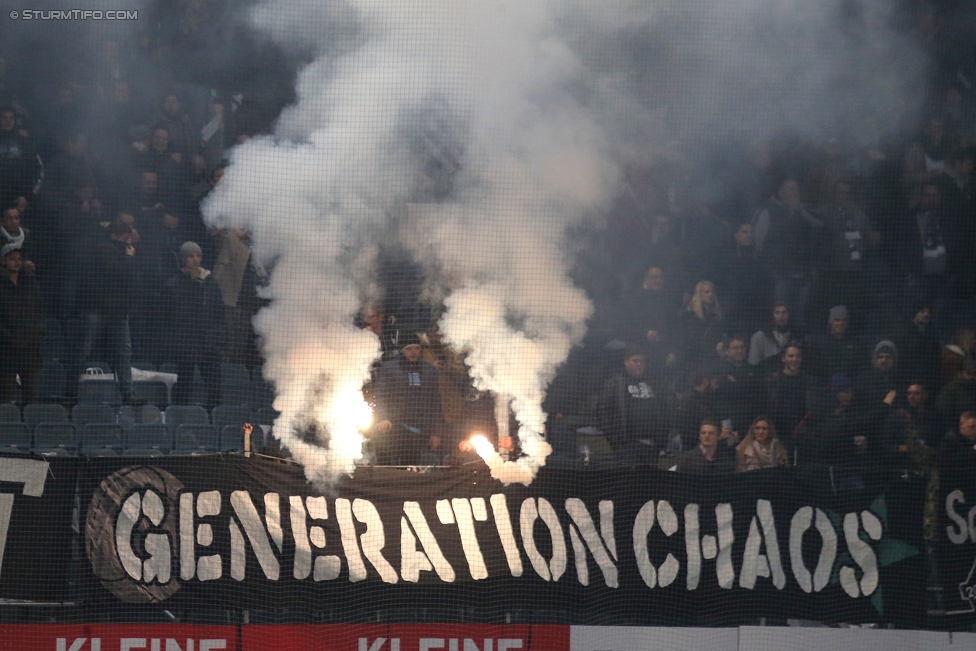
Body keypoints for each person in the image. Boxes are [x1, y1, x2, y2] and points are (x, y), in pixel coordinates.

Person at [68, 219, 141, 405]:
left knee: (124, 352)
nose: (128, 240)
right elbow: (117, 272)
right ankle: (70, 391)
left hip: (118, 310)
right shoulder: (103, 248)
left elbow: (132, 280)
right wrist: (129, 258)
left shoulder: (123, 250)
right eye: (126, 236)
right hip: (97, 308)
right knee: (84, 350)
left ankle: (128, 392)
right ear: (116, 235)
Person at [753, 177, 824, 327]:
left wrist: (800, 209)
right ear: (780, 191)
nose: (794, 192)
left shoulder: (804, 210)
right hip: (779, 274)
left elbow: (820, 225)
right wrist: (770, 265)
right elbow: (758, 242)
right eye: (790, 189)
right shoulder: (768, 211)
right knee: (780, 311)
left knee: (800, 313)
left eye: (796, 189)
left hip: (802, 272)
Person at [163, 242, 223, 408]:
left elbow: (219, 312)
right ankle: (179, 417)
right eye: (191, 256)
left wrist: (216, 336)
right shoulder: (173, 285)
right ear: (183, 259)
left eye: (198, 256)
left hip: (207, 342)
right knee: (184, 385)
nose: (195, 260)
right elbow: (166, 316)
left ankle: (212, 418)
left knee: (214, 384)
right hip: (185, 343)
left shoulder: (211, 283)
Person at [371, 333, 444, 466]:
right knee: (388, 467)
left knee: (410, 468)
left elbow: (436, 403)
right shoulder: (389, 369)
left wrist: (436, 433)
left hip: (418, 430)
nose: (413, 352)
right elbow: (381, 396)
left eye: (416, 348)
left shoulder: (429, 370)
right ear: (402, 350)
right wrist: (383, 418)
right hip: (392, 427)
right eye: (409, 349)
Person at [598, 346, 666, 462]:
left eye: (642, 361)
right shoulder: (615, 383)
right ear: (626, 362)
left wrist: (662, 441)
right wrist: (615, 443)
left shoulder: (653, 382)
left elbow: (663, 411)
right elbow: (602, 412)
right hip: (627, 447)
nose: (639, 364)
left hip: (652, 446)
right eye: (635, 361)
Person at [0, 245, 41, 403]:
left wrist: (35, 332)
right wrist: (10, 337)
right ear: (3, 261)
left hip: (29, 348)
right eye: (12, 259)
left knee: (30, 392)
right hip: (6, 349)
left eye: (19, 259)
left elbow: (38, 311)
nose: (16, 263)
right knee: (6, 393)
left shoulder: (30, 283)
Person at [764, 343, 818, 450]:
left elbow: (814, 408)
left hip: (803, 435)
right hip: (777, 433)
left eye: (798, 356)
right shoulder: (771, 380)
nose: (795, 359)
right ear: (783, 358)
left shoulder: (810, 381)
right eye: (791, 356)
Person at [897, 301, 941, 393]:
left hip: (929, 381)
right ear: (915, 313)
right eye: (922, 311)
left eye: (928, 312)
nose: (926, 314)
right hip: (909, 380)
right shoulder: (904, 333)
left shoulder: (933, 334)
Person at [807, 305, 860, 381]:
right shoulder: (819, 343)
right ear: (831, 322)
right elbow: (814, 369)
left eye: (844, 320)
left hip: (849, 387)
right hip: (826, 387)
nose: (841, 323)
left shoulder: (855, 343)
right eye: (837, 320)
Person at [680, 280, 724, 370]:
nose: (710, 294)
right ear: (699, 294)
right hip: (695, 359)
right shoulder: (690, 315)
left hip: (713, 357)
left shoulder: (717, 315)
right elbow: (690, 338)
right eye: (707, 292)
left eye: (712, 292)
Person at [748, 304, 797, 370]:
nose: (781, 316)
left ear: (788, 314)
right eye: (777, 312)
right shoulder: (759, 336)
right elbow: (753, 363)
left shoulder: (796, 335)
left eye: (784, 312)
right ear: (772, 315)